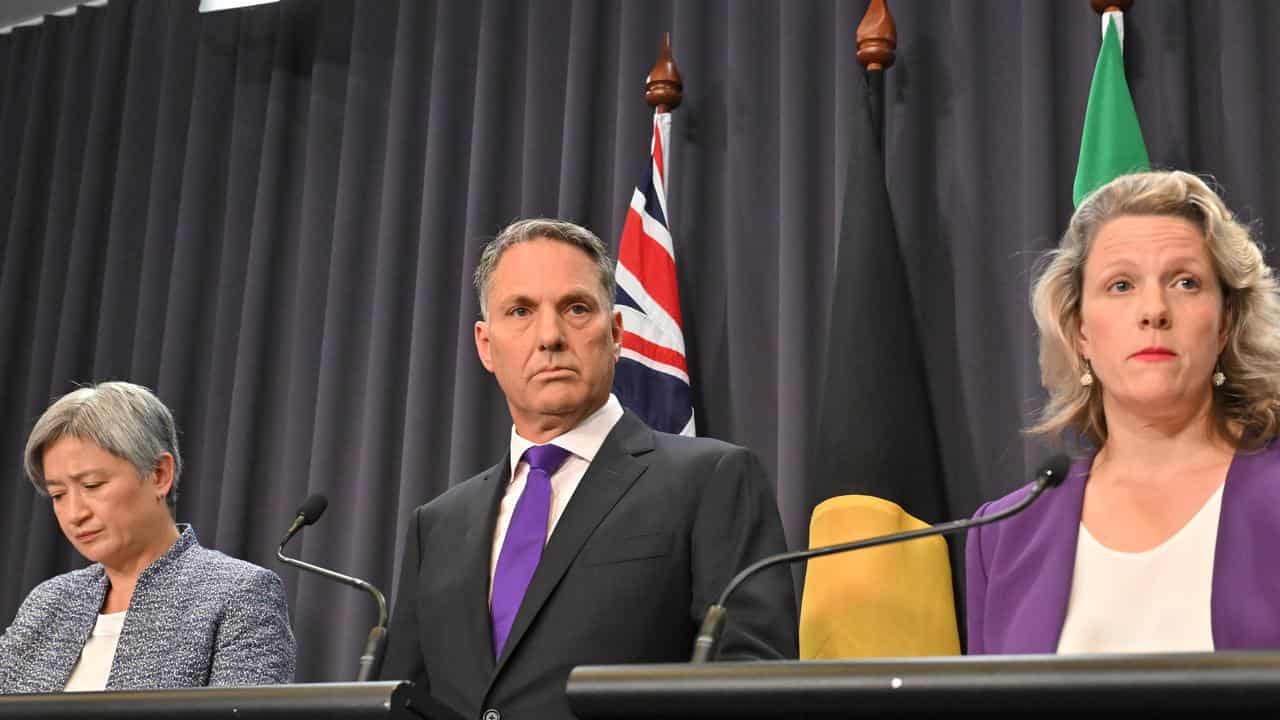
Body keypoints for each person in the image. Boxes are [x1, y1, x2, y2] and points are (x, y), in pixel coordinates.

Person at [381, 218, 797, 719]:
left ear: (616, 333)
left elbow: (752, 686)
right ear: (486, 346)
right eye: (520, 311)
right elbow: (402, 700)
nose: (550, 336)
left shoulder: (711, 480)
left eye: (576, 308)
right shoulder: (438, 524)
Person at [966, 170, 1280, 654]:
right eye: (1120, 285)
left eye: (1185, 282)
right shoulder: (1005, 536)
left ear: (1224, 326)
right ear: (1080, 333)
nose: (1154, 309)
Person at [0, 382, 296, 693]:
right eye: (58, 495)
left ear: (159, 475)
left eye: (92, 485)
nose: (74, 513)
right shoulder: (49, 602)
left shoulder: (238, 594)